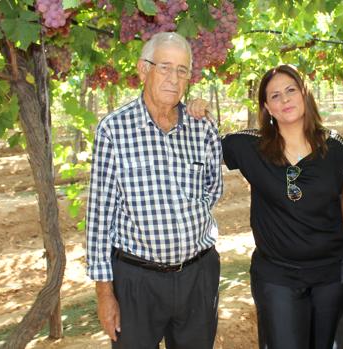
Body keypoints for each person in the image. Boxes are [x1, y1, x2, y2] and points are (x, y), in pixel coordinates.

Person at [191, 64, 343, 349]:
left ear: (305, 94)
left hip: (332, 273)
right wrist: (195, 114)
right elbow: (198, 147)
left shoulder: (335, 148)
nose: (285, 99)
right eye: (275, 95)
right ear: (267, 106)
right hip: (277, 275)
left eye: (291, 90)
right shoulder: (248, 146)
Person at [85, 32, 223, 349]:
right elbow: (99, 216)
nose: (173, 79)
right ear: (143, 69)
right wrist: (105, 294)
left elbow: (213, 191)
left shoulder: (202, 127)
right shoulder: (114, 129)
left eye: (182, 70)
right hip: (136, 281)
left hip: (197, 276)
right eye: (165, 67)